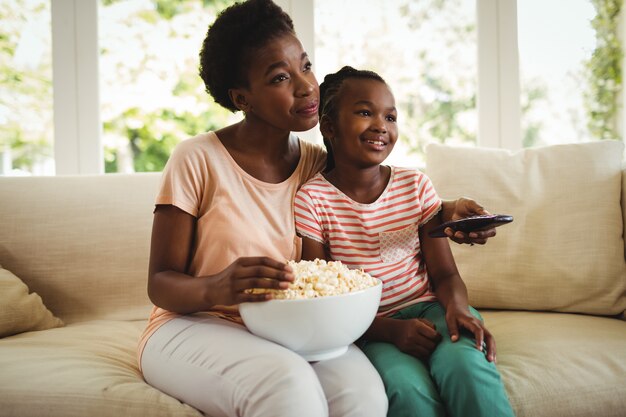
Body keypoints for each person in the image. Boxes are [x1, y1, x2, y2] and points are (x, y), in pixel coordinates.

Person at [138, 1, 497, 416]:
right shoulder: (196, 158)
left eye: (305, 66)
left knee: (366, 397)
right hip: (195, 324)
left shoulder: (318, 164)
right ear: (243, 98)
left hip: (292, 327)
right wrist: (216, 286)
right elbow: (159, 282)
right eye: (279, 78)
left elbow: (376, 196)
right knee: (286, 384)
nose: (307, 86)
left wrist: (448, 211)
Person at [294, 66, 515, 417]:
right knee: (405, 389)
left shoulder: (415, 186)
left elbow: (444, 274)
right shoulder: (313, 200)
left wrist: (457, 309)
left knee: (467, 369)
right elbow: (324, 299)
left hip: (435, 308)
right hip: (373, 326)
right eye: (365, 112)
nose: (381, 125)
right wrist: (391, 331)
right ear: (329, 126)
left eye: (391, 116)